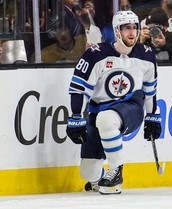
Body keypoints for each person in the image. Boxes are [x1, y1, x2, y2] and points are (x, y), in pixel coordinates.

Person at [66, 10, 162, 195]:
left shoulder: (147, 55)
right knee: (87, 171)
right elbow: (79, 88)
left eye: (135, 27)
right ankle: (99, 178)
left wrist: (152, 117)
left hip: (131, 107)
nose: (132, 32)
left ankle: (116, 172)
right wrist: (76, 116)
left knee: (106, 119)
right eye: (127, 28)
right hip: (98, 110)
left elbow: (150, 91)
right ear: (117, 31)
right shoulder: (96, 54)